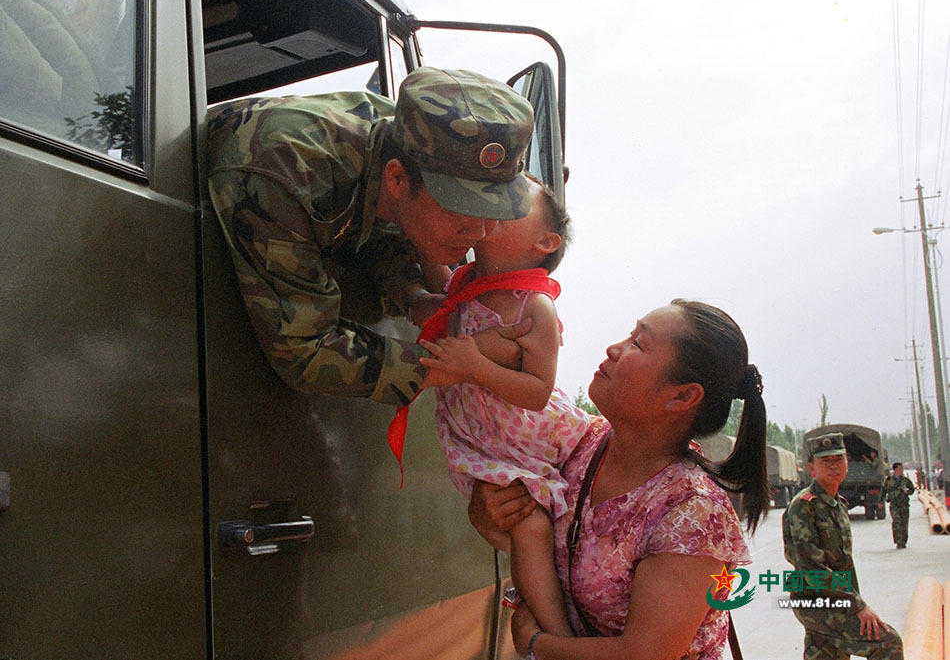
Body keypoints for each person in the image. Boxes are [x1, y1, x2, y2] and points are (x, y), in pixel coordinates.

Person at [205, 66, 535, 406]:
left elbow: (380, 226)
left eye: (493, 210)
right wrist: (465, 364)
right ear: (396, 179)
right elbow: (304, 350)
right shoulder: (284, 170)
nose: (480, 232)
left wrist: (414, 298)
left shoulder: (410, 139)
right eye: (460, 206)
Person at [467, 300, 770, 659]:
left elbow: (642, 655)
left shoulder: (693, 515)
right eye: (630, 334)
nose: (614, 348)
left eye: (638, 344)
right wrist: (487, 513)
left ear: (682, 395)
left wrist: (536, 644)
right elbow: (516, 526)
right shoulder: (577, 442)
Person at [417, 178, 589, 637]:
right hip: (481, 438)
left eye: (513, 202)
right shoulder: (464, 284)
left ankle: (558, 638)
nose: (494, 204)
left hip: (523, 443)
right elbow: (434, 280)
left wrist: (474, 366)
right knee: (525, 528)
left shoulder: (533, 306)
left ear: (544, 242)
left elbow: (536, 391)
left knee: (529, 528)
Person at [783, 433, 903, 660]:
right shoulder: (803, 506)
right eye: (826, 462)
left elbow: (844, 565)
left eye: (839, 460)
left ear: (847, 464)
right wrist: (857, 606)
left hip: (835, 598)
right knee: (888, 643)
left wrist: (853, 599)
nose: (834, 466)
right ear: (812, 469)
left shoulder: (838, 505)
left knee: (827, 655)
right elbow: (812, 570)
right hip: (815, 601)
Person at [883, 462, 915, 549]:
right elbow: (884, 490)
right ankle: (899, 541)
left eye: (902, 469)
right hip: (894, 505)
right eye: (900, 469)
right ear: (895, 469)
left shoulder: (905, 480)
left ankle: (904, 541)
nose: (902, 470)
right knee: (897, 521)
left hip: (904, 505)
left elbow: (912, 489)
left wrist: (908, 491)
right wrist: (880, 502)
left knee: (904, 523)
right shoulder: (889, 480)